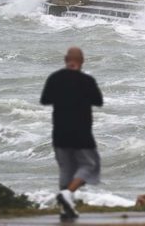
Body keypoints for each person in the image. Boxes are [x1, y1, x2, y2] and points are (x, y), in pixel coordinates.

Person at [41, 47, 104, 222]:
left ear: (65, 59)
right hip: (82, 132)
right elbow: (98, 101)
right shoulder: (87, 81)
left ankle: (65, 210)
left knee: (65, 170)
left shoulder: (54, 78)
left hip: (60, 132)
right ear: (82, 61)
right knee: (90, 165)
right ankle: (68, 194)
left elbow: (45, 100)